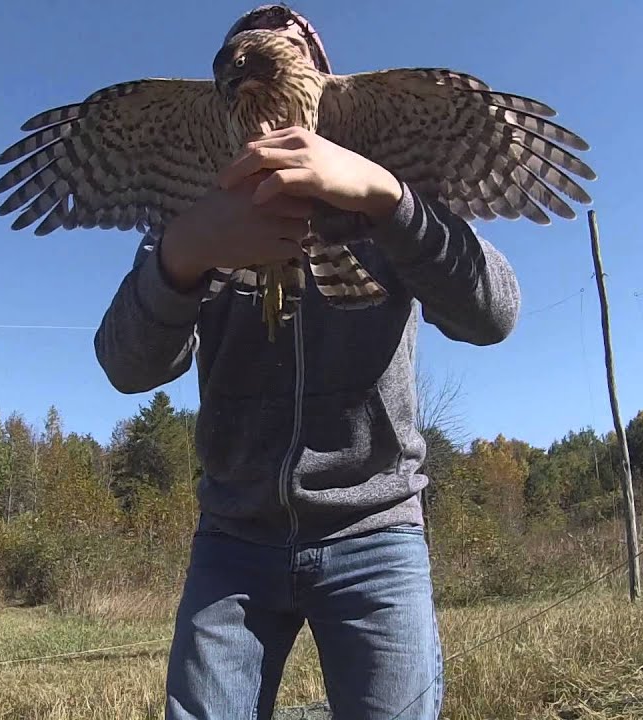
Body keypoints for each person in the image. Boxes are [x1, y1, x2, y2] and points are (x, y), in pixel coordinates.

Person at [92, 5, 522, 718]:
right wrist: (189, 248)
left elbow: (494, 313)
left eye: (281, 52)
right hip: (234, 540)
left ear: (316, 72)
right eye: (231, 61)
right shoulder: (203, 206)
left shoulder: (382, 173)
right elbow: (125, 365)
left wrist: (388, 199)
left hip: (375, 531)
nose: (247, 71)